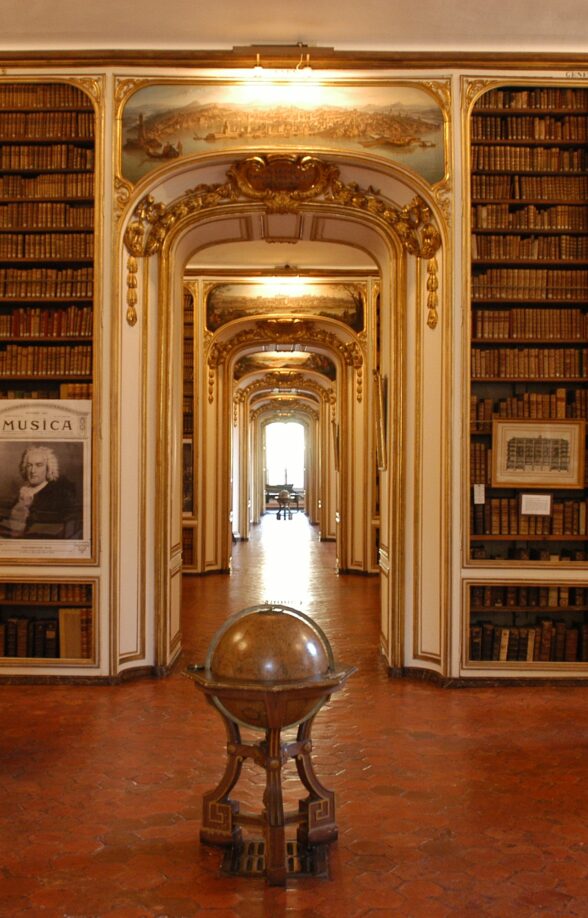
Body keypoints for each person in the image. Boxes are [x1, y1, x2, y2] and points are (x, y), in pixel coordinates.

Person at [3, 445, 79, 538]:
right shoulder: (22, 492)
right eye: (29, 465)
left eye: (39, 465)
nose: (32, 471)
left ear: (48, 468)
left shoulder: (58, 495)